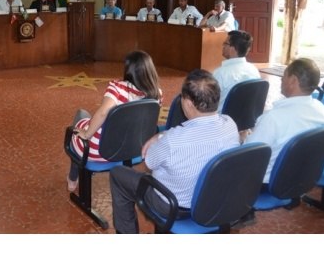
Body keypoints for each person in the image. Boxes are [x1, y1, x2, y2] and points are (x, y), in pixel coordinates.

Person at [109, 69, 240, 234]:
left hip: (174, 207)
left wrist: (161, 137)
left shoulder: (173, 140)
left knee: (117, 174)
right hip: (214, 201)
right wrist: (163, 135)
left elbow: (149, 161)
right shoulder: (230, 124)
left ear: (188, 103)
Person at [67, 50, 162, 192]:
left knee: (80, 118)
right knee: (85, 120)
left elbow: (104, 111)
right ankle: (73, 178)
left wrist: (86, 134)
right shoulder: (157, 94)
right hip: (134, 149)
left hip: (100, 151)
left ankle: (72, 179)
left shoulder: (117, 88)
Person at [244, 58, 324, 183]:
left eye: (284, 75)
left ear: (293, 80)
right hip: (301, 178)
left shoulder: (273, 119)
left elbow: (247, 156)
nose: (281, 79)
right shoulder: (322, 110)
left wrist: (244, 138)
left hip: (267, 183)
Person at [213, 30, 261, 111]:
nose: (223, 46)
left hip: (223, 120)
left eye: (225, 44)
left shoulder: (220, 73)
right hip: (247, 120)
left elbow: (209, 102)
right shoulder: (254, 70)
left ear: (232, 49)